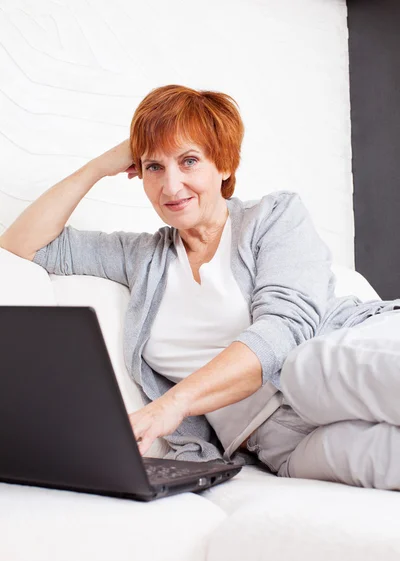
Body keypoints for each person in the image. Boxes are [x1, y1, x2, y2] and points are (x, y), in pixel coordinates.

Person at [2, 84, 400, 490]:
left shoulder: (273, 217)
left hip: (343, 352)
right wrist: (99, 166)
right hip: (276, 439)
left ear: (224, 164)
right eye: (153, 166)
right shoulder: (140, 258)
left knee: (305, 369)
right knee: (381, 459)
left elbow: (284, 330)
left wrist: (171, 405)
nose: (171, 186)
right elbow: (21, 245)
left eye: (189, 161)